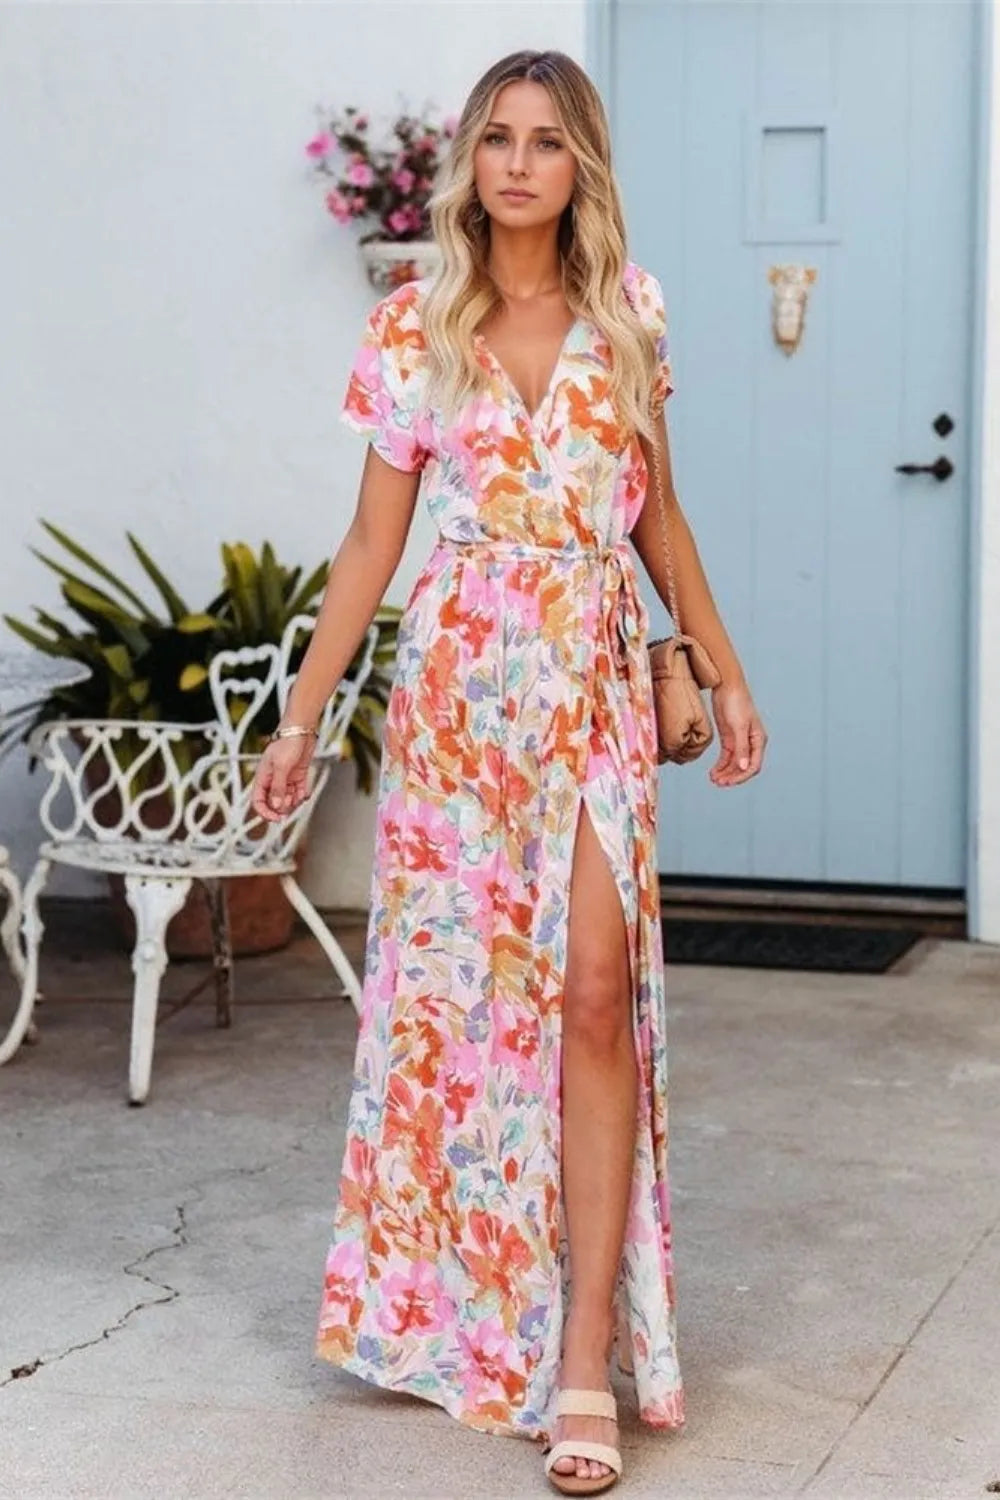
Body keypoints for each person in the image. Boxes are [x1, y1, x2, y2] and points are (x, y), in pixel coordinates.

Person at [252, 47, 767, 1498]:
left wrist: (724, 669)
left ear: (580, 163)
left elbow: (662, 520)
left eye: (547, 140)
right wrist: (300, 720)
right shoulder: (414, 323)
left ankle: (585, 1356)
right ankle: (479, 1313)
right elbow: (372, 544)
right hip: (459, 704)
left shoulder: (630, 313)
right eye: (499, 139)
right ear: (471, 163)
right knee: (466, 1015)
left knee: (595, 995)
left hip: (593, 686)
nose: (521, 163)